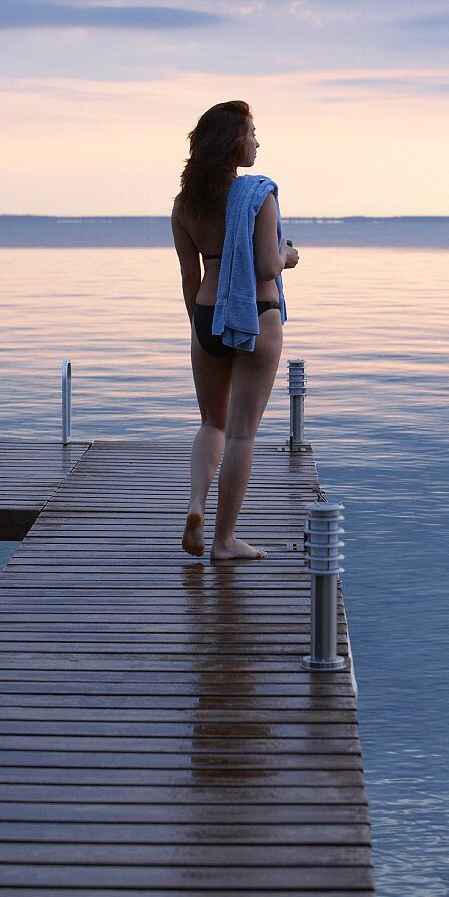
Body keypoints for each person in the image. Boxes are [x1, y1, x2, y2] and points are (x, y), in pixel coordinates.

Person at [171, 100, 300, 561]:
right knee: (243, 434)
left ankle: (194, 505)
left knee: (212, 422)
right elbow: (267, 264)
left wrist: (197, 326)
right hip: (256, 313)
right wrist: (288, 255)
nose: (257, 141)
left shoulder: (186, 204)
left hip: (206, 315)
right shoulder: (259, 193)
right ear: (232, 143)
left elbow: (190, 276)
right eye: (251, 132)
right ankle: (224, 540)